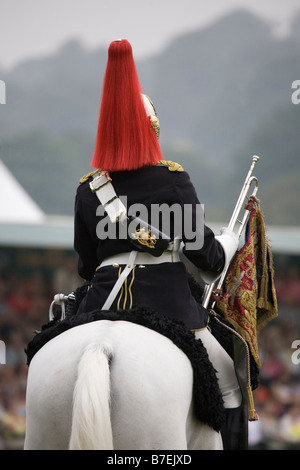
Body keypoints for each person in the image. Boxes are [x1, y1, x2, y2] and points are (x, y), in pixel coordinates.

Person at [74, 39, 243, 449]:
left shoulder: (87, 189)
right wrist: (232, 240)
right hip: (168, 304)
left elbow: (85, 266)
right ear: (153, 131)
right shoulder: (172, 178)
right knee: (230, 379)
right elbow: (208, 257)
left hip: (101, 301)